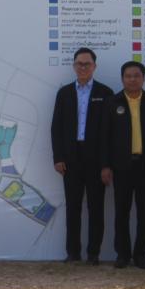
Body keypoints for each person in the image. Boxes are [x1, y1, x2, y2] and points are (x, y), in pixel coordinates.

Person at [50, 47, 113, 264]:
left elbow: (109, 132)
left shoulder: (105, 93)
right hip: (70, 159)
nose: (83, 67)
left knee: (96, 209)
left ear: (94, 66)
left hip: (96, 160)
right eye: (79, 63)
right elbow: (56, 127)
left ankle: (93, 253)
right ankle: (73, 253)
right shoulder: (64, 93)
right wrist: (58, 157)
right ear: (74, 66)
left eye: (87, 64)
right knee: (73, 208)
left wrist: (106, 164)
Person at [99, 60, 145, 269]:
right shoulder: (111, 102)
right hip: (121, 167)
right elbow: (104, 138)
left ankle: (141, 254)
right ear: (122, 78)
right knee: (121, 213)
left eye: (136, 75)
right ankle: (123, 255)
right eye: (128, 76)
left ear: (143, 78)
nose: (132, 79)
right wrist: (105, 166)